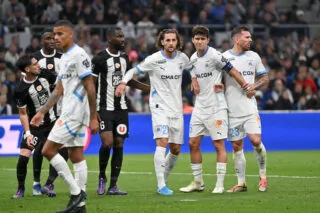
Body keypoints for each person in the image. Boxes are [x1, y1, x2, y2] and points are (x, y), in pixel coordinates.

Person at [116, 28, 195, 196]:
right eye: (168, 40)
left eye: (174, 40)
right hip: (159, 107)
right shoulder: (154, 59)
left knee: (175, 149)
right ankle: (161, 185)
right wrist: (123, 82)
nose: (171, 43)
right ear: (162, 42)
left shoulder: (182, 58)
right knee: (162, 142)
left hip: (176, 108)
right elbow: (133, 71)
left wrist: (195, 80)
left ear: (177, 42)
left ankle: (163, 180)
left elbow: (193, 68)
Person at [30, 19, 99, 213]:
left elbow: (90, 86)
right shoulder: (65, 57)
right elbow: (58, 89)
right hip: (69, 110)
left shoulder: (78, 54)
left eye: (60, 34)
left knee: (47, 150)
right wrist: (42, 112)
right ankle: (80, 205)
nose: (55, 38)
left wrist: (93, 116)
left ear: (71, 35)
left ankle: (77, 194)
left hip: (73, 113)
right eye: (54, 35)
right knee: (76, 154)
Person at [179, 25, 251, 194]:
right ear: (193, 40)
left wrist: (245, 86)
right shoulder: (193, 58)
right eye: (196, 38)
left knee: (218, 144)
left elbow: (232, 71)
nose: (199, 41)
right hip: (199, 107)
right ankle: (198, 182)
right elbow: (193, 71)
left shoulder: (215, 56)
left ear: (208, 40)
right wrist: (194, 80)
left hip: (216, 107)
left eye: (202, 39)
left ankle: (219, 184)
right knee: (192, 143)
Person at [92, 27, 150, 196]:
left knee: (119, 143)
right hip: (104, 107)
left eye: (123, 35)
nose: (123, 39)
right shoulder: (99, 59)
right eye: (119, 36)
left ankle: (113, 185)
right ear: (110, 38)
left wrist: (149, 88)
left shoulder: (125, 57)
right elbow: (91, 85)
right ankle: (102, 177)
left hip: (122, 109)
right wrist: (93, 110)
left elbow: (127, 81)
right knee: (107, 143)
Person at [222, 25, 269, 192]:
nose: (251, 40)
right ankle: (241, 182)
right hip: (232, 111)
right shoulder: (224, 58)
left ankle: (263, 177)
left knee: (256, 141)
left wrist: (254, 85)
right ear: (237, 39)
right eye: (247, 37)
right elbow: (218, 81)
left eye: (250, 37)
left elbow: (264, 77)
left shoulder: (254, 56)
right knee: (236, 146)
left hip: (249, 109)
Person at [13, 54, 57, 199]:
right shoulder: (20, 89)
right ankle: (20, 188)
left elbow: (60, 86)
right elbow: (23, 113)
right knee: (24, 156)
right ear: (27, 69)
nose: (39, 65)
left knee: (62, 151)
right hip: (35, 127)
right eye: (35, 64)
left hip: (52, 123)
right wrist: (28, 133)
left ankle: (49, 184)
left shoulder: (45, 74)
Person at [32, 27, 68, 197]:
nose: (52, 41)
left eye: (54, 38)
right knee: (40, 148)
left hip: (60, 110)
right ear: (42, 41)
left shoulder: (62, 58)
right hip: (39, 111)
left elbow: (66, 82)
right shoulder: (35, 59)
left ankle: (49, 183)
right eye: (48, 38)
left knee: (62, 148)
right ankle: (36, 183)